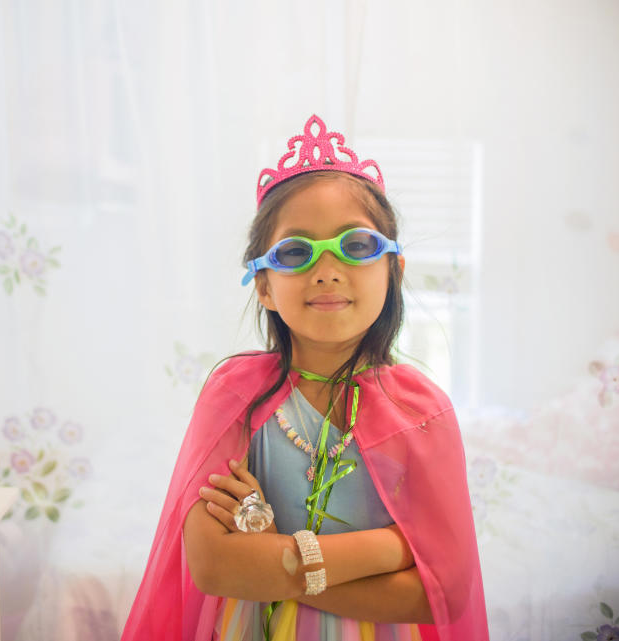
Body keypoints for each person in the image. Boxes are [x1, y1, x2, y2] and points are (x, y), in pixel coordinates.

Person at [121, 115, 488, 641]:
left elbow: (444, 594)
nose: (326, 268)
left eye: (356, 246)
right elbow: (213, 566)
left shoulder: (421, 412)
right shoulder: (235, 397)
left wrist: (275, 562)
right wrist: (391, 548)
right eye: (296, 252)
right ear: (265, 287)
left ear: (395, 271)